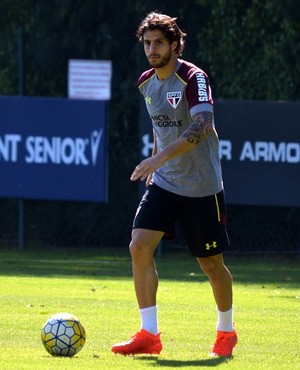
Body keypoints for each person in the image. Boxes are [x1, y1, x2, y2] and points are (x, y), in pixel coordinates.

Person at [111, 11, 238, 357]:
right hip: (165, 182)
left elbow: (202, 127)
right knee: (139, 246)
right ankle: (148, 334)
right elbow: (159, 127)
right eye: (147, 43)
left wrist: (156, 159)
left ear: (174, 44)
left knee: (211, 265)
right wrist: (157, 163)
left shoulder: (193, 77)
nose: (152, 49)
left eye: (158, 43)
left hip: (202, 186)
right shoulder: (145, 82)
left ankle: (226, 331)